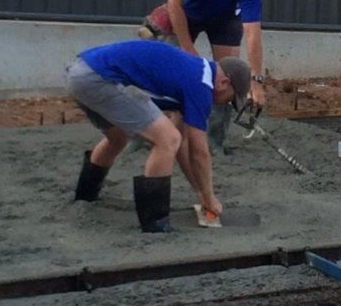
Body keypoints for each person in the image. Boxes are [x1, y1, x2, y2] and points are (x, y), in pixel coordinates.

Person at [67, 39, 250, 232]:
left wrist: (199, 192)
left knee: (119, 137)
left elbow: (183, 147)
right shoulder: (201, 85)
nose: (224, 103)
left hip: (79, 73)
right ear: (223, 82)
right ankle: (154, 222)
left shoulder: (193, 71)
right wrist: (210, 196)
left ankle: (85, 197)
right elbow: (199, 152)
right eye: (230, 98)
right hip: (100, 79)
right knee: (166, 139)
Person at [166, 0, 269, 149]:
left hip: (225, 19)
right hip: (187, 13)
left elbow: (252, 32)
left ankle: (213, 142)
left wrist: (255, 80)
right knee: (169, 65)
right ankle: (152, 133)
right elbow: (174, 3)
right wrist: (187, 47)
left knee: (227, 77)